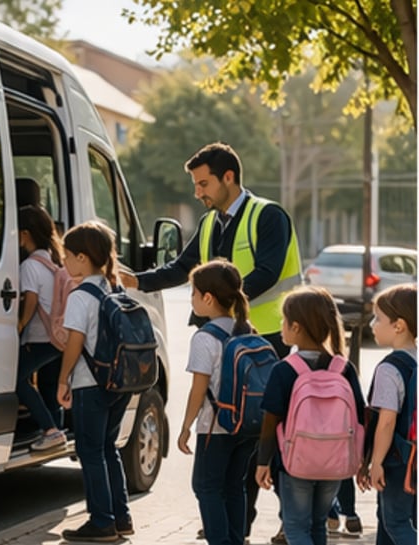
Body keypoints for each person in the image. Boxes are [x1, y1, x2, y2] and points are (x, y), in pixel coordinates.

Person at [120, 142, 302, 540]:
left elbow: (269, 271)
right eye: (196, 185)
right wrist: (140, 280)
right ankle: (235, 525)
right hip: (224, 340)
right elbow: (185, 268)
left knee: (268, 435)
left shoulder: (268, 216)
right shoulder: (208, 223)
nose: (197, 193)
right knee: (237, 436)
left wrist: (228, 306)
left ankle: (289, 523)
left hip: (268, 341)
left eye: (203, 184)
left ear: (229, 178)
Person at [255, 287, 366, 545]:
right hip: (336, 463)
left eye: (283, 320)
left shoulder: (284, 370)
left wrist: (263, 462)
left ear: (296, 327)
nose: (281, 326)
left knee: (295, 527)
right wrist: (363, 461)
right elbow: (360, 417)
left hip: (296, 463)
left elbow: (270, 421)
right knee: (318, 525)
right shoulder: (343, 368)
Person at [56, 221, 133, 542]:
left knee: (90, 451)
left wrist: (63, 380)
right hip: (120, 382)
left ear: (83, 258)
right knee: (108, 448)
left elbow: (75, 341)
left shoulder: (81, 296)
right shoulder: (115, 289)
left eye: (67, 256)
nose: (64, 262)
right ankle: (121, 517)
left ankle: (101, 522)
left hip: (91, 383)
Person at [178, 260, 258, 545]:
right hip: (247, 425)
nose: (192, 299)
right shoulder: (247, 329)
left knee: (206, 487)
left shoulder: (205, 338)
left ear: (207, 298)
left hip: (216, 425)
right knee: (235, 486)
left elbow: (198, 389)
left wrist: (186, 426)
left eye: (193, 293)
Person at [357, 284, 417, 545]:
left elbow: (386, 422)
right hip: (414, 456)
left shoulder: (389, 368)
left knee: (395, 521)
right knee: (392, 519)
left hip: (396, 459)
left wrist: (376, 462)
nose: (372, 324)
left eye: (378, 318)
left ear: (399, 325)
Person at [15, 205, 66, 451]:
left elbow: (32, 299)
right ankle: (57, 428)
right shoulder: (53, 262)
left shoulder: (29, 266)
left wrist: (21, 323)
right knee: (47, 383)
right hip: (58, 337)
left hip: (40, 337)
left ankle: (50, 429)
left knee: (17, 378)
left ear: (25, 233)